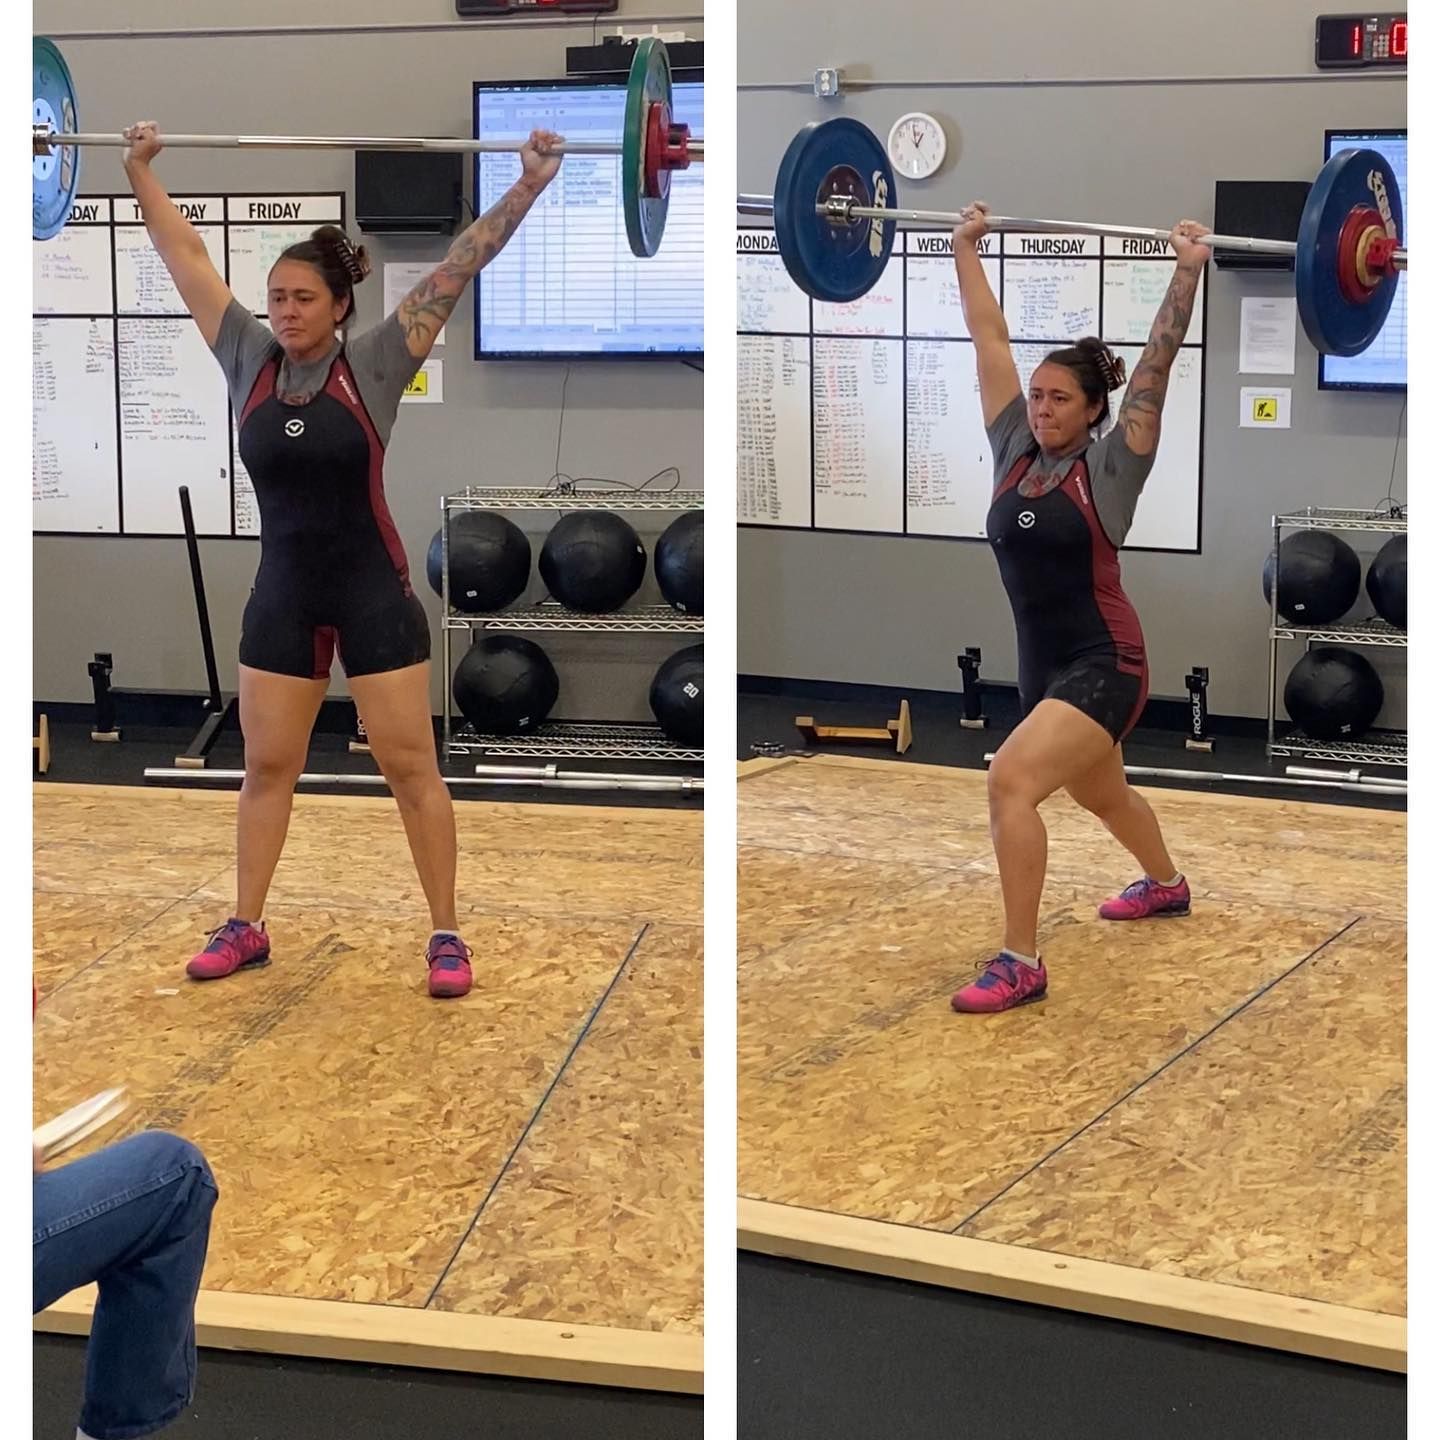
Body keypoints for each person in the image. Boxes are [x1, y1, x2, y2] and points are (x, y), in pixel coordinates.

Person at [120, 120, 564, 999]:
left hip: (371, 592)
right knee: (267, 768)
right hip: (282, 593)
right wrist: (137, 171)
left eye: (302, 299)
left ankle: (445, 932)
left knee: (409, 768)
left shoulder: (377, 363)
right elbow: (184, 260)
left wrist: (530, 185)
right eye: (276, 297)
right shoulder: (244, 354)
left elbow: (458, 268)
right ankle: (247, 922)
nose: (284, 311)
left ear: (339, 306)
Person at [948, 204, 1207, 1014]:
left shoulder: (1112, 469)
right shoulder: (1012, 449)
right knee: (1104, 795)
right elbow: (989, 340)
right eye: (1038, 396)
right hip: (1044, 667)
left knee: (1011, 785)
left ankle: (1020, 959)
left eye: (1060, 399)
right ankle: (1167, 884)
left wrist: (1187, 272)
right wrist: (963, 249)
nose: (1043, 408)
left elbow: (1157, 370)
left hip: (1108, 664)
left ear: (1095, 409)